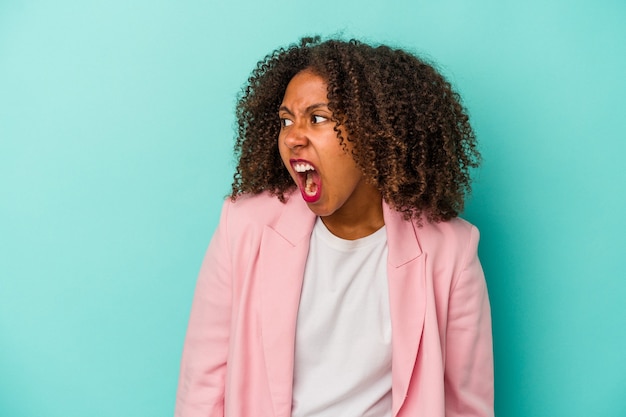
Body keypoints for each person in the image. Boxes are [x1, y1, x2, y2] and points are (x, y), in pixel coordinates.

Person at [175, 36, 493, 417]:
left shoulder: (451, 252)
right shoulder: (243, 227)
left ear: (376, 131)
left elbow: (466, 406)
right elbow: (202, 389)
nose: (293, 136)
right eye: (286, 120)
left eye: (318, 118)